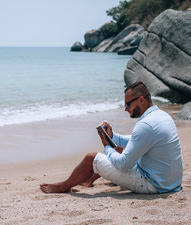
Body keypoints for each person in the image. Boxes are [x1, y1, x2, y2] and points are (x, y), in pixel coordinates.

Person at [40, 81, 183, 194]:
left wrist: (107, 146)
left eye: (128, 104)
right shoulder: (162, 116)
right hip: (171, 182)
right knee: (120, 148)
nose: (126, 109)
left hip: (154, 184)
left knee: (92, 158)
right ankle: (87, 180)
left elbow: (123, 164)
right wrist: (113, 137)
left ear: (140, 100)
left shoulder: (145, 125)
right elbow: (136, 141)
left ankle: (64, 186)